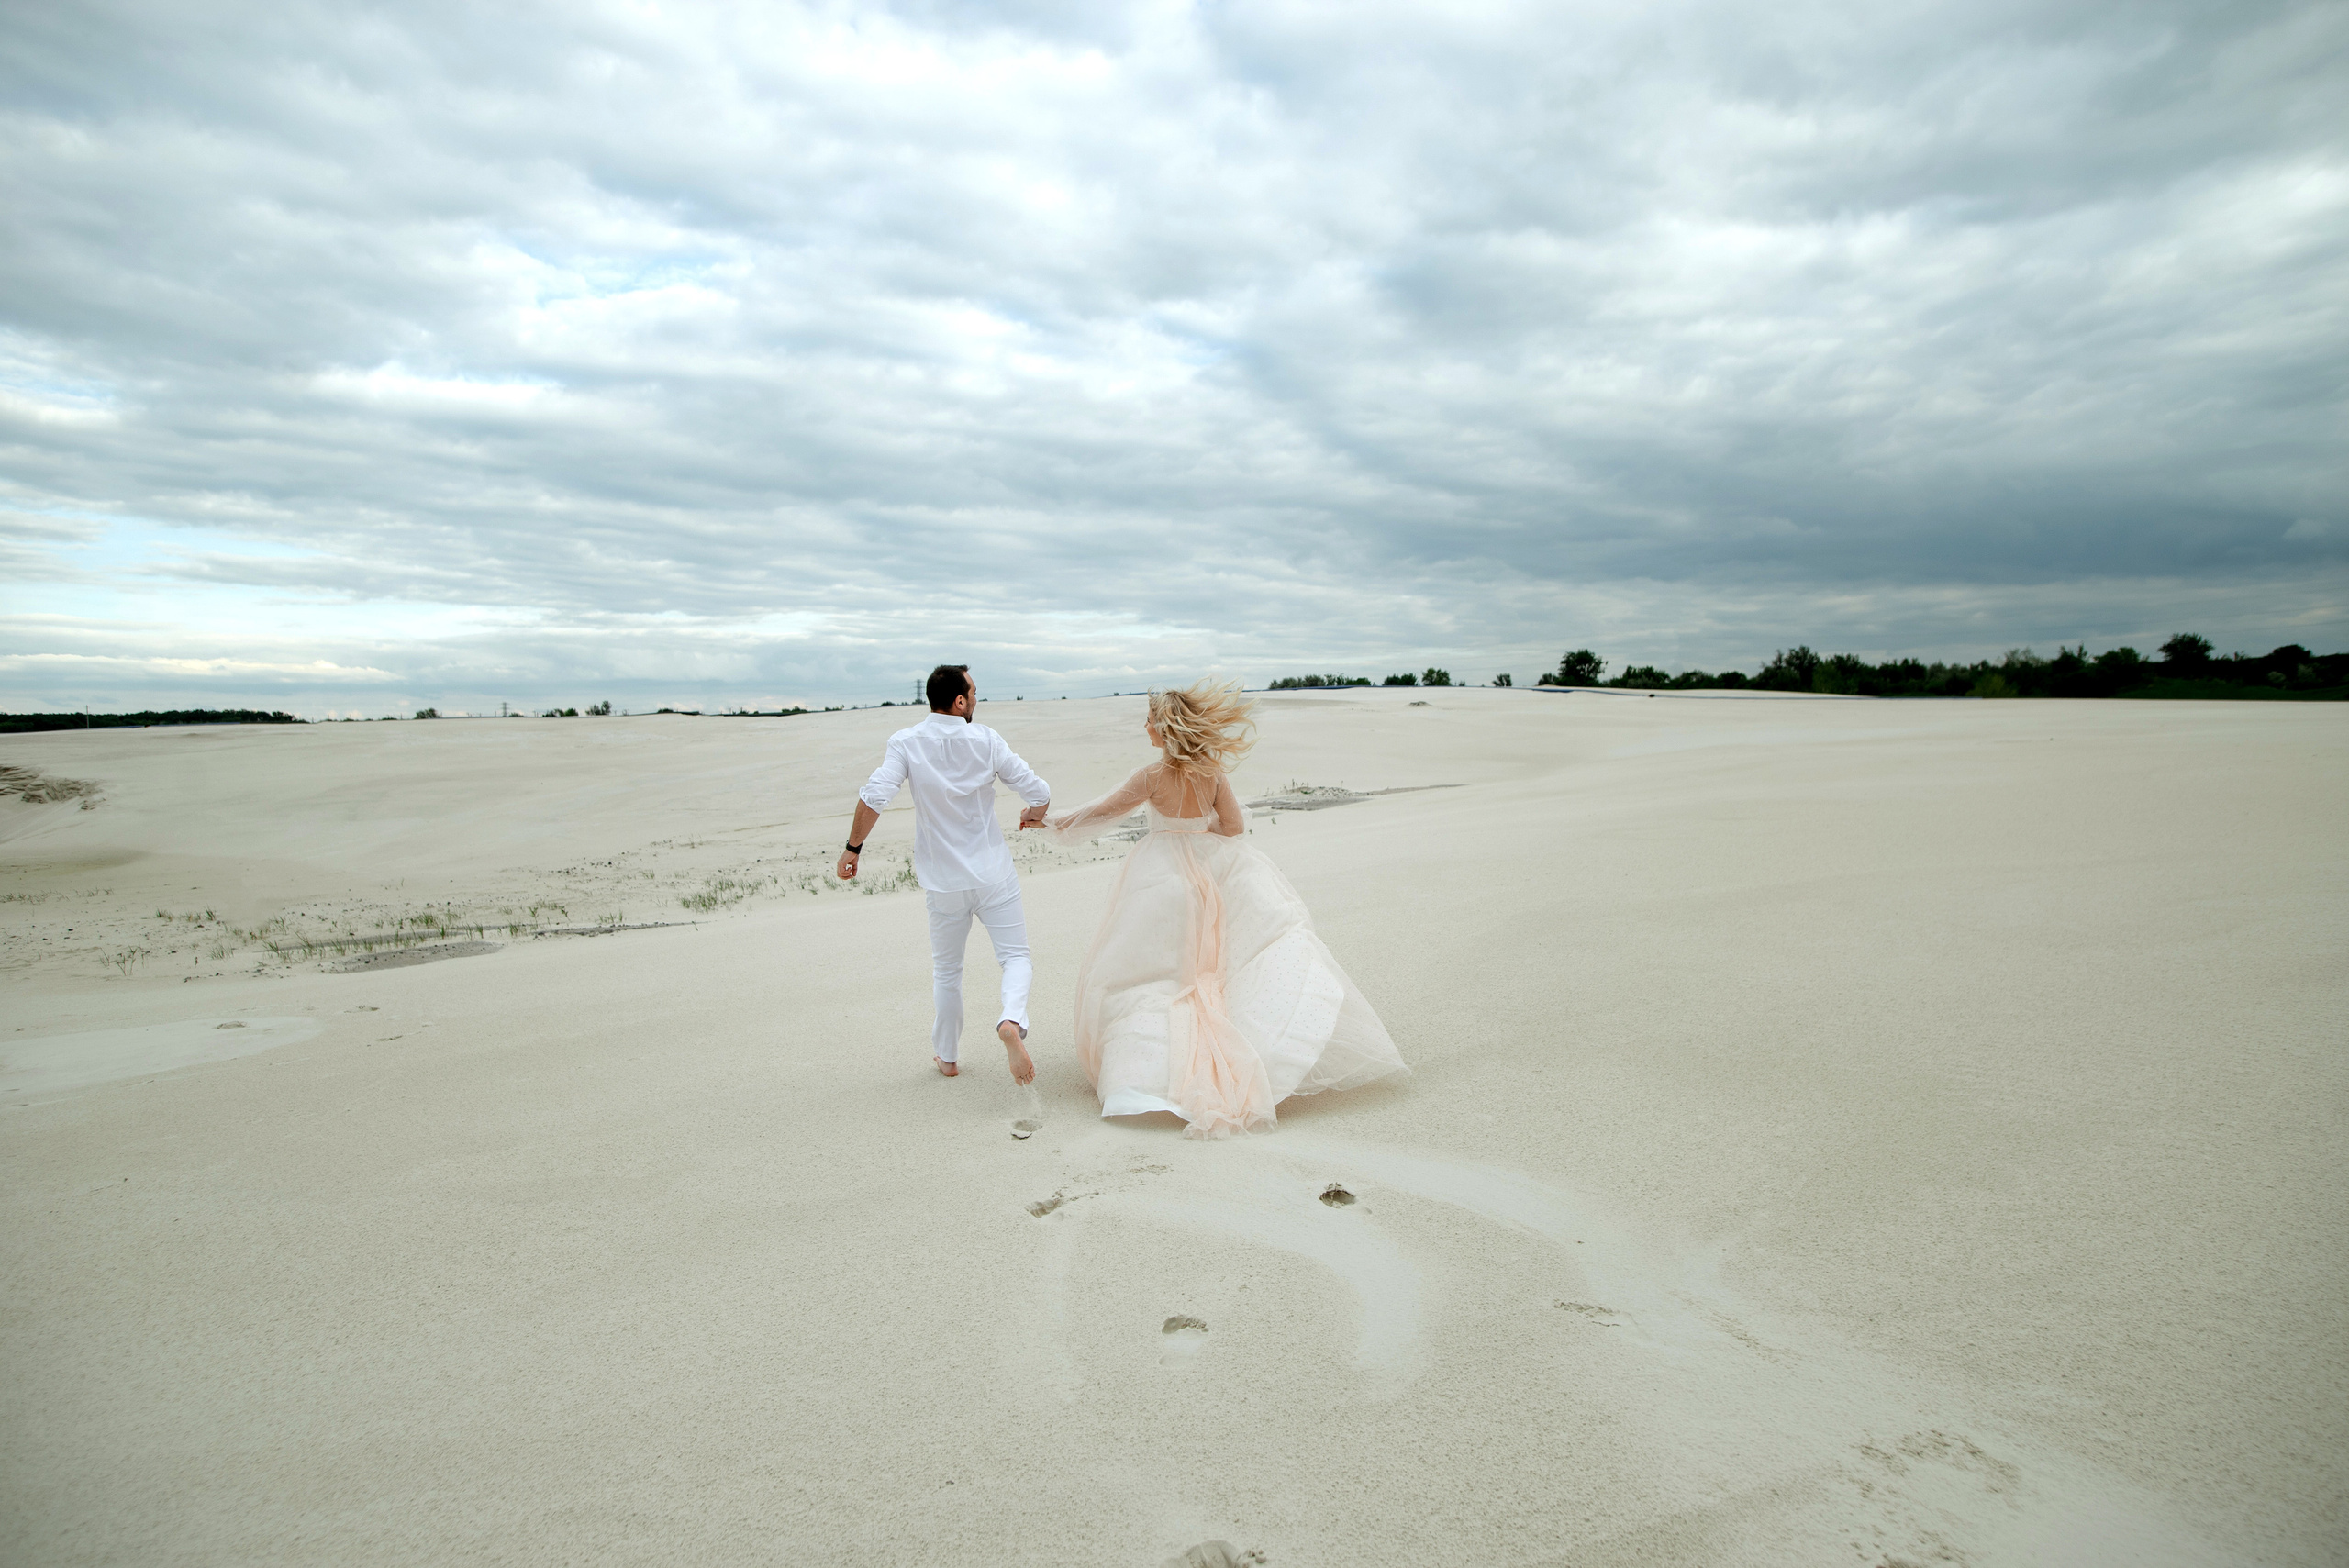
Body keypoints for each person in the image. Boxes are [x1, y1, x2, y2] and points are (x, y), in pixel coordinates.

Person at [1046, 681, 1408, 1138]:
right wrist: (1200, 835)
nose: (1146, 727)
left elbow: (1102, 812)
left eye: (1150, 721)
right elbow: (1234, 827)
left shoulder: (1150, 777)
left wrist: (1049, 822)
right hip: (1211, 876)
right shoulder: (1212, 775)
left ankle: (1146, 1072)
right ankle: (1245, 1056)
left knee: (1155, 976)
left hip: (1159, 880)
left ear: (1165, 729)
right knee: (1219, 970)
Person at [839, 664, 1050, 1084]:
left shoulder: (905, 742)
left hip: (943, 881)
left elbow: (875, 796)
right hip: (993, 874)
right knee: (1015, 957)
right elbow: (1038, 791)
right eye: (973, 692)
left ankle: (948, 1057)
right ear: (959, 701)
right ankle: (1011, 1019)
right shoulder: (987, 739)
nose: (976, 699)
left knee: (948, 972)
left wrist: (853, 848)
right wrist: (1033, 814)